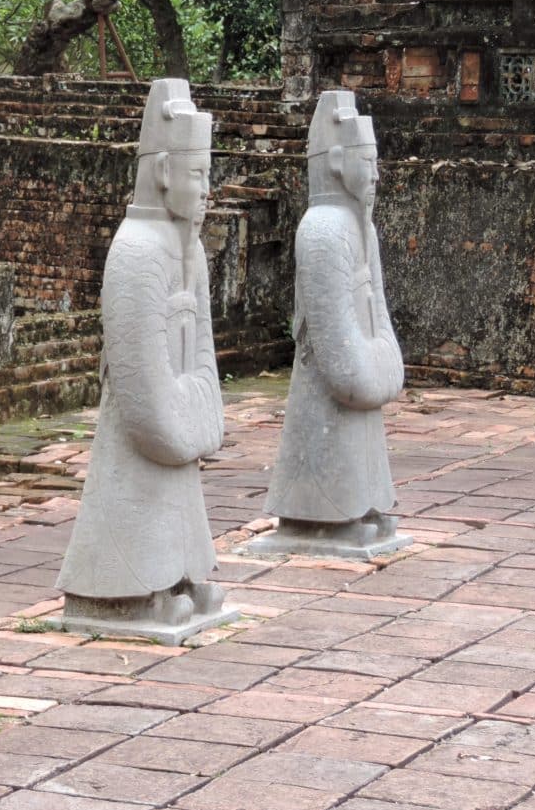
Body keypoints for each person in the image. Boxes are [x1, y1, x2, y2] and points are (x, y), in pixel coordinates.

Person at [56, 79, 231, 641]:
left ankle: (178, 577)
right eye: (198, 175)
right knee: (137, 491)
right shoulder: (134, 251)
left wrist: (198, 406)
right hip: (145, 417)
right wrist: (177, 411)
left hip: (177, 411)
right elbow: (139, 371)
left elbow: (204, 352)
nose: (208, 190)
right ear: (162, 172)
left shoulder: (191, 250)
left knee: (177, 491)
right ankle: (127, 590)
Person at [258, 90, 407, 558]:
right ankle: (322, 513)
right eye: (369, 161)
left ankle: (361, 504)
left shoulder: (363, 226)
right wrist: (369, 367)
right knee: (331, 420)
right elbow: (335, 343)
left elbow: (378, 311)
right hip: (335, 373)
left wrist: (381, 360)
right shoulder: (323, 229)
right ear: (339, 162)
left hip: (363, 360)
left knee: (360, 427)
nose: (378, 173)